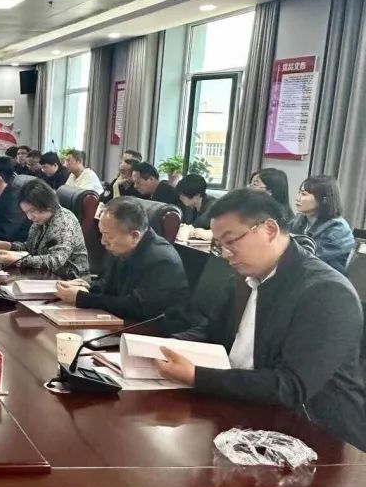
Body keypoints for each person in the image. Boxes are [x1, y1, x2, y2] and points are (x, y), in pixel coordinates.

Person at [157, 190, 366, 449]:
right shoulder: (244, 278)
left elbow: (290, 387)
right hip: (248, 414)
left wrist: (197, 376)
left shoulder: (326, 293)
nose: (226, 254)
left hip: (317, 437)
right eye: (220, 245)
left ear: (269, 229)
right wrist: (161, 348)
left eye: (231, 241)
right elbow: (213, 334)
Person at [54, 196, 188, 322]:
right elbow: (107, 287)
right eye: (102, 234)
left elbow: (136, 308)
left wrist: (82, 298)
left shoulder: (162, 260)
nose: (103, 241)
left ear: (134, 236)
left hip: (151, 330)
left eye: (109, 236)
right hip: (119, 321)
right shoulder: (120, 249)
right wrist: (84, 286)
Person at [0, 179, 88, 279]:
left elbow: (55, 261)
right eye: (26, 212)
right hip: (44, 275)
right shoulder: (42, 219)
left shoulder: (64, 222)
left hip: (69, 280)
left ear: (46, 203)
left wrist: (17, 261)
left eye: (32, 211)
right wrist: (9, 246)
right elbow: (31, 247)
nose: (29, 217)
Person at [289, 175, 355, 272]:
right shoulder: (300, 219)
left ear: (324, 200)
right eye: (299, 192)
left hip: (325, 277)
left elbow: (310, 259)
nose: (298, 198)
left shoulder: (338, 229)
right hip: (302, 274)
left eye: (304, 194)